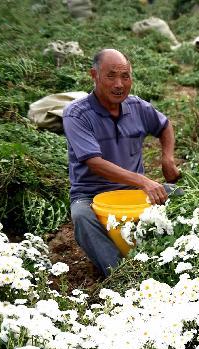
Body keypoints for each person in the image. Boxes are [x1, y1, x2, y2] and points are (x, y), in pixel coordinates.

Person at [62, 49, 179, 275]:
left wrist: (167, 158)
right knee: (82, 217)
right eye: (111, 76)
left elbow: (164, 126)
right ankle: (122, 275)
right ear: (94, 75)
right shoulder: (77, 114)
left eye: (125, 76)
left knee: (183, 198)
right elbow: (94, 162)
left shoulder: (137, 107)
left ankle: (173, 260)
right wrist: (144, 181)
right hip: (91, 195)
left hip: (133, 191)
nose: (119, 84)